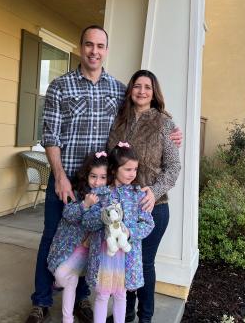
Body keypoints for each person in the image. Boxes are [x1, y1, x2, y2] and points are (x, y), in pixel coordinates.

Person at [26, 25, 181, 323]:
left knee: (93, 240)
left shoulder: (117, 89)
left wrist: (172, 129)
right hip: (67, 180)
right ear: (81, 47)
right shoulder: (61, 86)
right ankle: (42, 301)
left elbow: (146, 108)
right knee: (52, 237)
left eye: (100, 46)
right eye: (88, 45)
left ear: (106, 50)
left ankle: (83, 299)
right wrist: (58, 175)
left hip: (99, 186)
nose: (94, 51)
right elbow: (50, 136)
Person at [107, 70, 181, 323]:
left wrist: (155, 190)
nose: (141, 91)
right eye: (137, 86)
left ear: (154, 92)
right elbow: (110, 162)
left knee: (144, 264)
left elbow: (173, 168)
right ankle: (124, 315)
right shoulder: (119, 122)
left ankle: (145, 318)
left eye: (147, 87)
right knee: (123, 263)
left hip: (153, 207)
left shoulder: (164, 123)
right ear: (130, 90)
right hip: (121, 206)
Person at [82, 144, 155, 323]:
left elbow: (148, 223)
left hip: (126, 258)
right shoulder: (102, 194)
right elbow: (87, 222)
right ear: (114, 169)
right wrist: (104, 218)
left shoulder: (138, 195)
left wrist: (129, 232)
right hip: (104, 255)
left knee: (121, 295)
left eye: (135, 169)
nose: (133, 173)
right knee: (102, 295)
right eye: (128, 169)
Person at [47, 152, 108, 323]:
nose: (97, 182)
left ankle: (67, 319)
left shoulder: (108, 197)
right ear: (87, 175)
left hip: (89, 249)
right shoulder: (79, 192)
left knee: (71, 280)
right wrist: (85, 205)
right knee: (60, 276)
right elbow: (68, 214)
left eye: (103, 177)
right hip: (71, 246)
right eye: (93, 176)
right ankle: (58, 289)